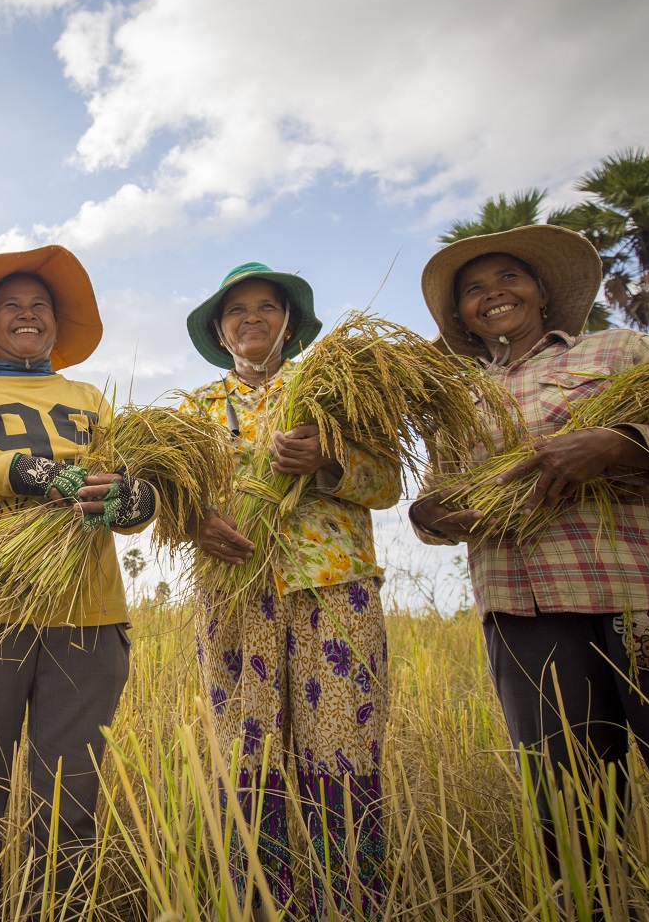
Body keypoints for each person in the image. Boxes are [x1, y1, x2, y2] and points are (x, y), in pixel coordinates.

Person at [408, 224, 649, 906]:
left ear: (544, 293)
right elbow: (442, 495)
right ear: (461, 316)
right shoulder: (457, 401)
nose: (492, 294)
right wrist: (429, 517)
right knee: (570, 827)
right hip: (525, 614)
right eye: (473, 290)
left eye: (508, 279)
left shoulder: (620, 351)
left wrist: (621, 444)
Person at [0, 245, 157, 918]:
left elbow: (132, 489)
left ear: (55, 325)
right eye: (10, 307)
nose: (27, 315)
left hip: (87, 618)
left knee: (71, 808)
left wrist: (135, 499)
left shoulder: (90, 399)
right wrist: (9, 473)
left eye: (39, 306)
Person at [182, 262, 397, 919]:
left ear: (290, 324)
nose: (252, 317)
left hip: (331, 588)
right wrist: (194, 520)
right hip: (236, 596)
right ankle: (256, 907)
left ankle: (350, 907)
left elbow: (385, 483)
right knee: (246, 761)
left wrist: (330, 462)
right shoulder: (195, 410)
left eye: (267, 306)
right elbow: (173, 499)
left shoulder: (335, 393)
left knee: (342, 757)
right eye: (237, 310)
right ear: (221, 333)